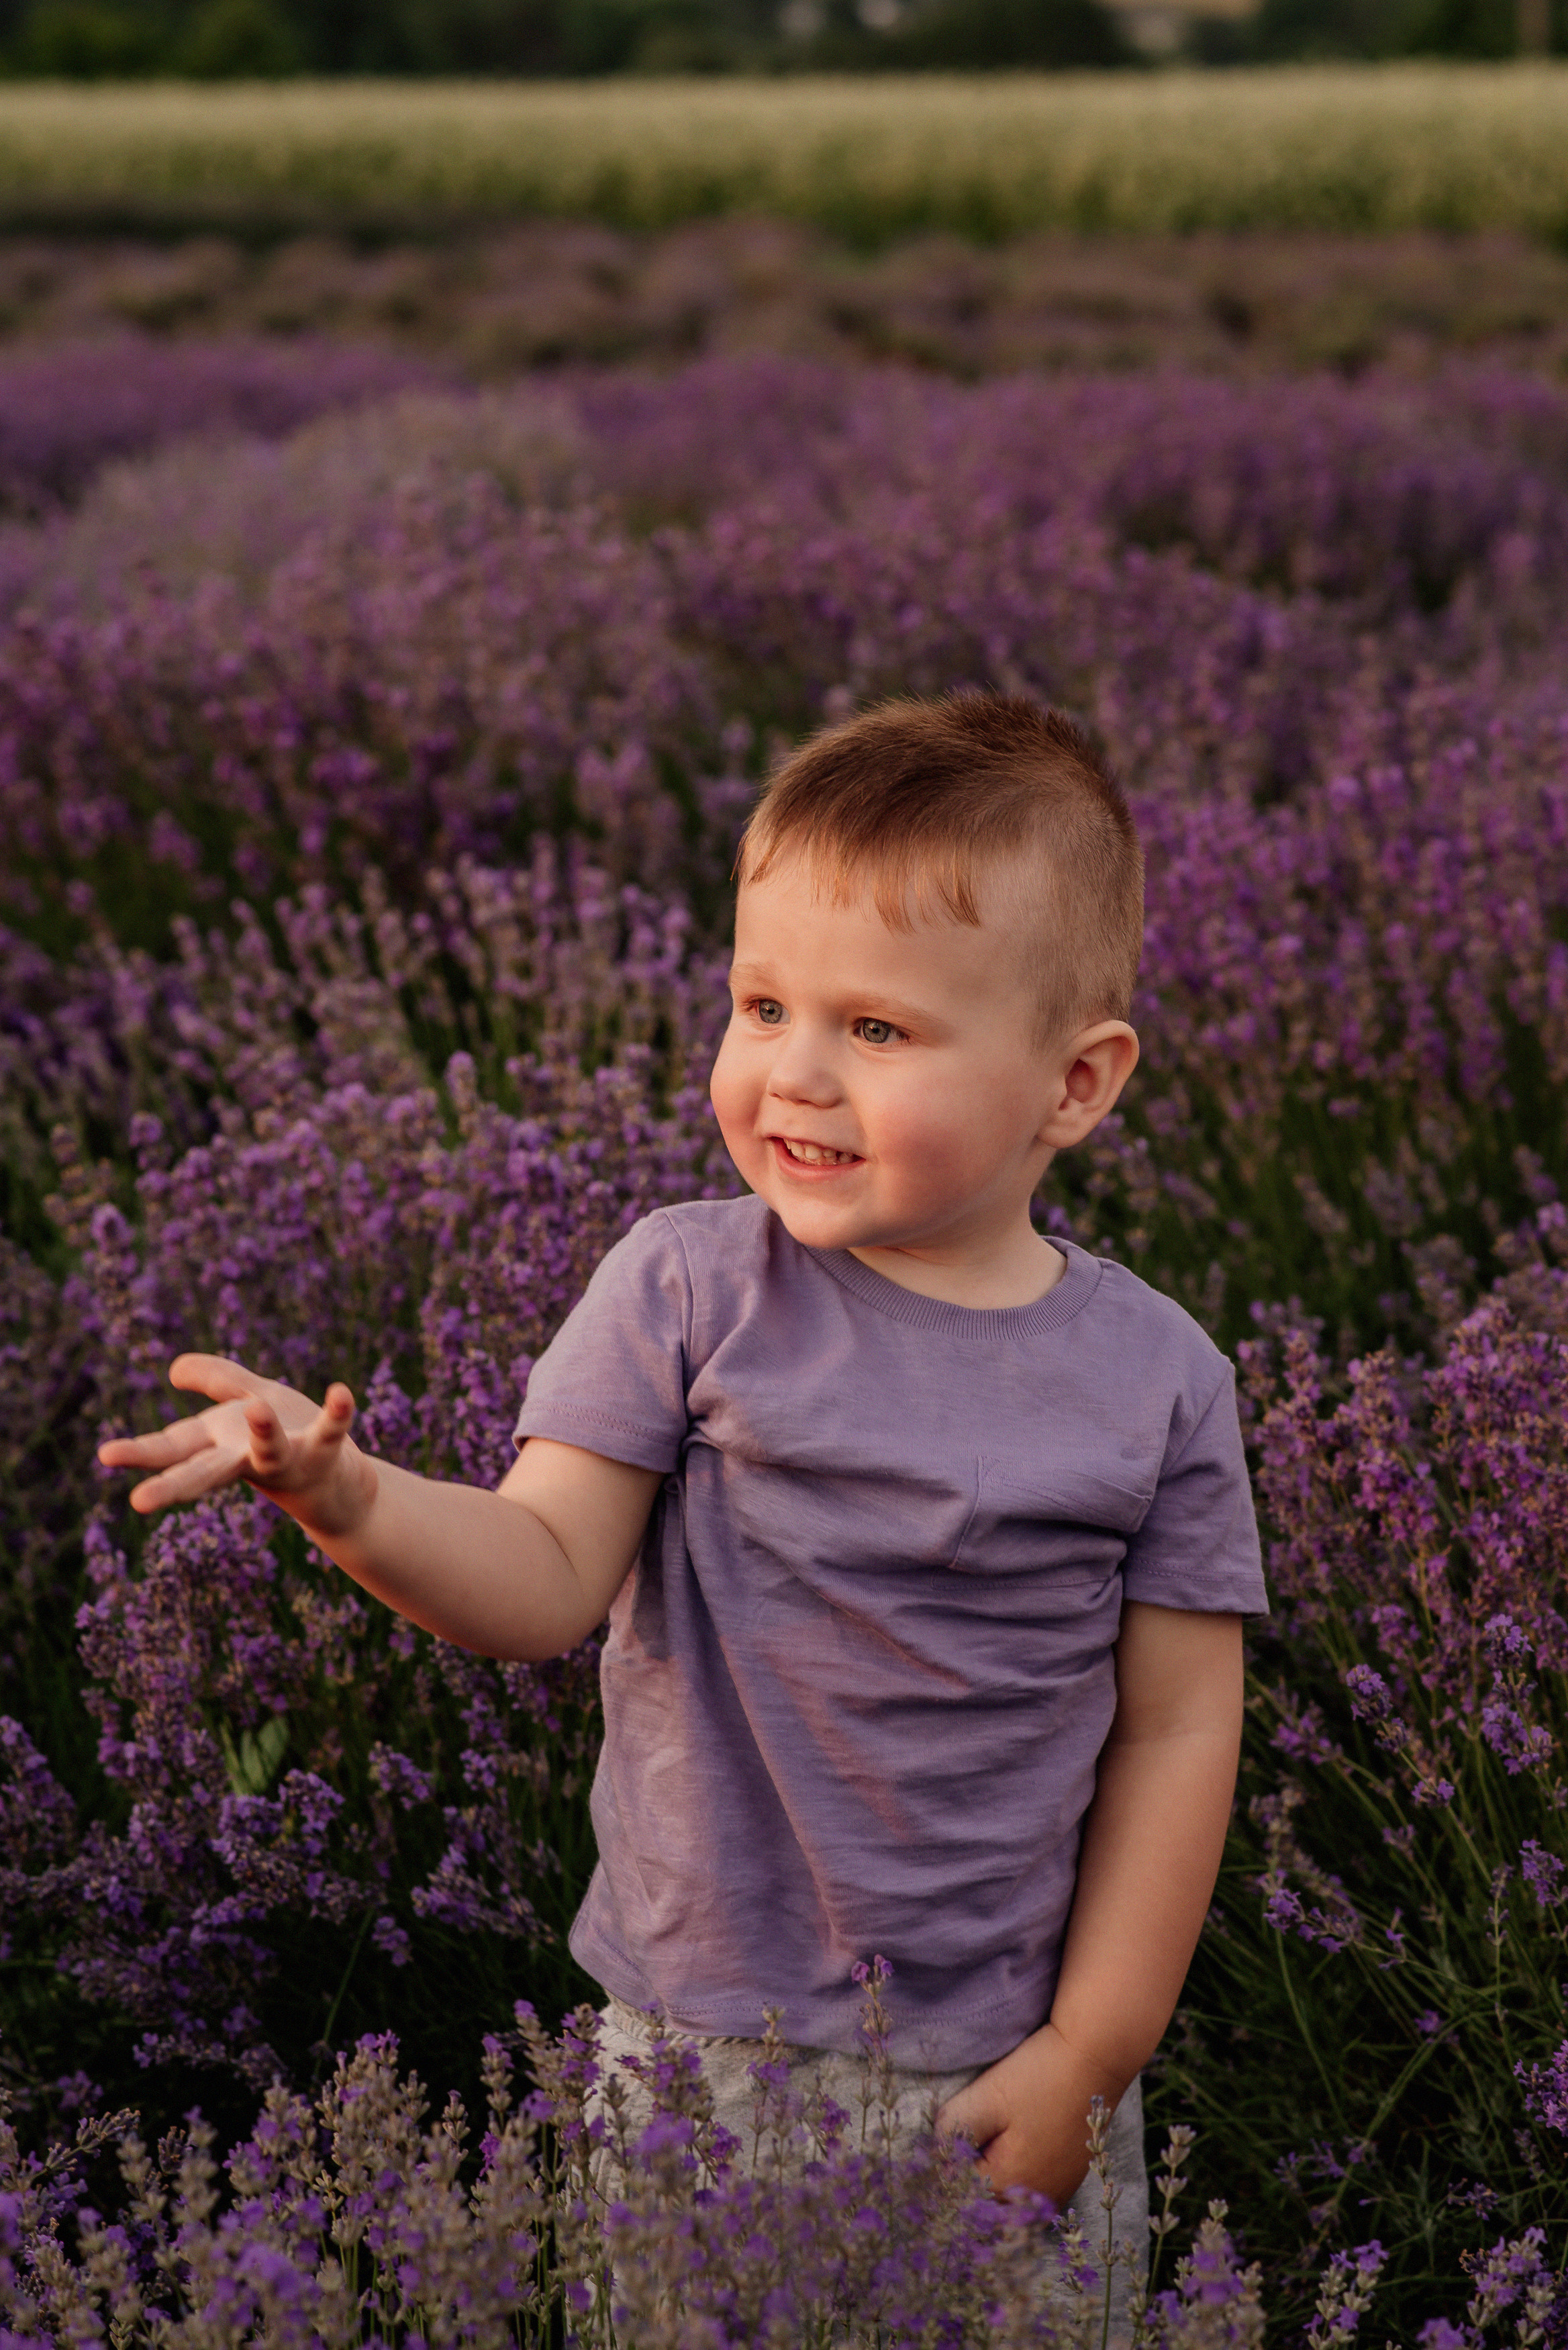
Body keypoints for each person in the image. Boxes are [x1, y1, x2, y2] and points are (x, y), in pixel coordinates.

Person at [101, 692, 1265, 2321]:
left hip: (1010, 2068)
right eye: (761, 1001)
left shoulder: (1158, 1379)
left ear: (1075, 1082)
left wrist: (1093, 2053)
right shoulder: (685, 1289)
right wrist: (345, 1491)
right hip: (706, 2060)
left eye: (878, 1030)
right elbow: (540, 1573)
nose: (791, 1070)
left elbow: (1175, 1736)